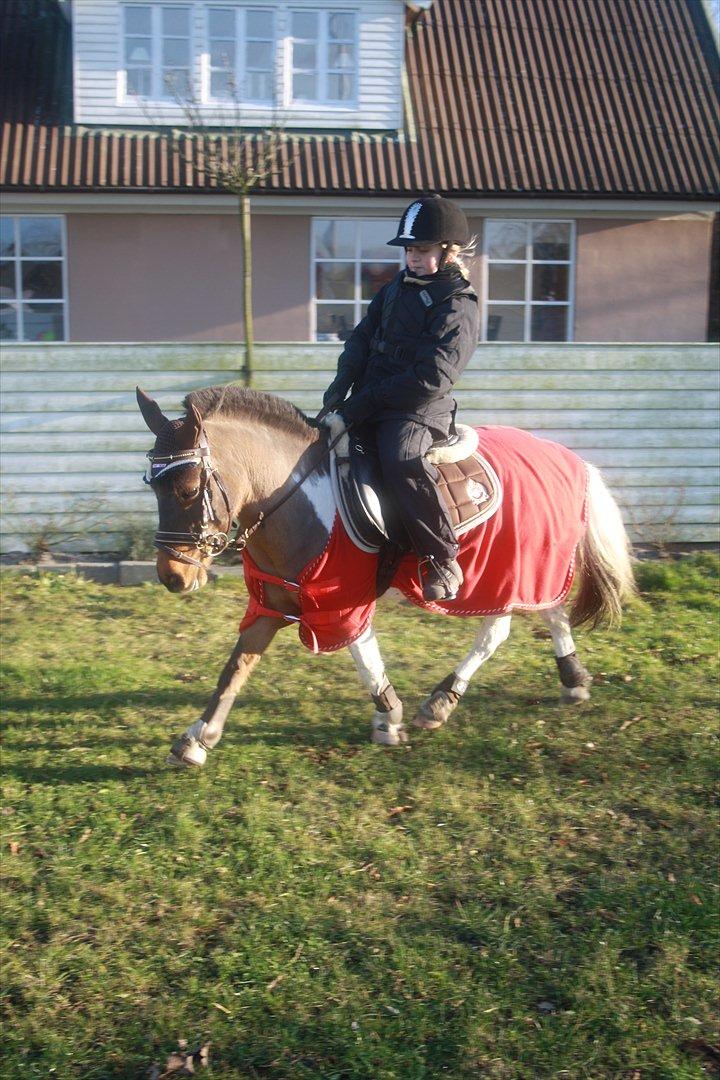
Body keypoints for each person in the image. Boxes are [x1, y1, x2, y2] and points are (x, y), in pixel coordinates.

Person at [322, 194, 480, 602]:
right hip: (370, 399)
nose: (412, 257)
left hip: (418, 409)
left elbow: (434, 377)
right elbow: (362, 337)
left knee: (399, 459)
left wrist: (363, 403)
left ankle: (441, 558)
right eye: (409, 250)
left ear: (448, 252)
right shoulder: (395, 287)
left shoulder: (457, 303)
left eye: (422, 250)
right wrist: (342, 382)